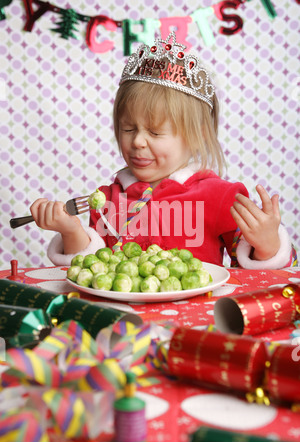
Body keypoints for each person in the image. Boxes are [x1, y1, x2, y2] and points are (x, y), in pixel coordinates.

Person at [30, 33, 296, 269]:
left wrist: (268, 244)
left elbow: (256, 270)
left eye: (155, 132)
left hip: (197, 320)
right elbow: (90, 269)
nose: (138, 142)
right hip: (123, 321)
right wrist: (70, 231)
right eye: (128, 129)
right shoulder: (106, 199)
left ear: (197, 136)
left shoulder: (220, 197)